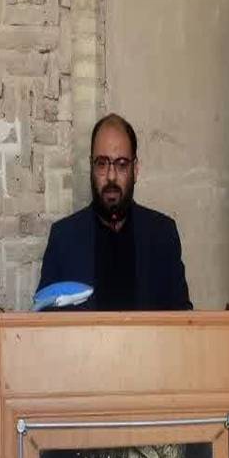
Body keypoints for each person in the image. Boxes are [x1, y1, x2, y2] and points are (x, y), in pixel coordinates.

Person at [37, 113, 191, 310]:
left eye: (121, 164)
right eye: (102, 163)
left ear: (135, 169)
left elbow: (183, 318)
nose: (111, 176)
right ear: (91, 168)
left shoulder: (162, 235)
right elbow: (43, 319)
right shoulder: (63, 238)